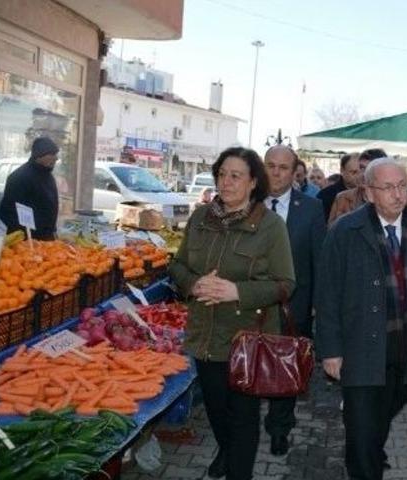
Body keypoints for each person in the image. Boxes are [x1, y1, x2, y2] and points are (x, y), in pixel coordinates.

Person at [316, 157, 407, 480]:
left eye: (402, 186)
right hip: (360, 349)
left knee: (381, 419)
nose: (397, 194)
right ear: (368, 193)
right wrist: (331, 349)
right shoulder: (344, 232)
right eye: (388, 187)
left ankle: (369, 455)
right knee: (362, 431)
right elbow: (327, 295)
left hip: (406, 346)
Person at [169, 146, 296, 480]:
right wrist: (194, 284)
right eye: (222, 174)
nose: (226, 182)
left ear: (254, 182)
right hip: (206, 337)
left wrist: (237, 291)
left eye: (236, 176)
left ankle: (239, 469)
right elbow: (178, 265)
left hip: (246, 340)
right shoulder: (200, 219)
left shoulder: (271, 227)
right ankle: (225, 450)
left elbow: (286, 284)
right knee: (216, 411)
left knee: (243, 419)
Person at [262, 145, 327, 457]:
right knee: (248, 365)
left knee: (284, 372)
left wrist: (316, 305)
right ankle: (238, 436)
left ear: (294, 171)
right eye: (271, 166)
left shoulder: (312, 209)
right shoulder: (247, 204)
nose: (276, 173)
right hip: (249, 306)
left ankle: (280, 428)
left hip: (294, 307)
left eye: (283, 167)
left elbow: (319, 261)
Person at [0, 137, 60, 240]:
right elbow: (9, 212)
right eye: (52, 154)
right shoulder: (19, 177)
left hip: (46, 240)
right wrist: (24, 237)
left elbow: (51, 207)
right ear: (39, 156)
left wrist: (53, 230)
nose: (56, 158)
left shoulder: (48, 176)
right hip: (25, 242)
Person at [327, 148, 386, 225]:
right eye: (361, 168)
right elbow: (332, 232)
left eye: (369, 169)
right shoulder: (343, 198)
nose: (363, 174)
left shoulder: (396, 197)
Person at [317, 152, 360, 221]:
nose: (359, 176)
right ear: (342, 171)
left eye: (361, 171)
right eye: (354, 172)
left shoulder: (369, 194)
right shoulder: (326, 195)